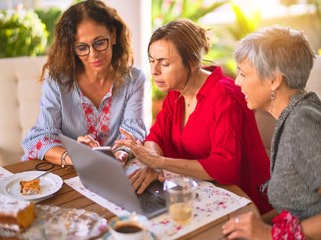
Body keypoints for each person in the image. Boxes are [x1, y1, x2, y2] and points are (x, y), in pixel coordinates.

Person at [115, 19, 272, 214]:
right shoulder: (176, 91)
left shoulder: (225, 97)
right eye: (152, 60)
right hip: (193, 193)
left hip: (239, 201)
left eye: (164, 63)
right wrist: (153, 161)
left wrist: (159, 162)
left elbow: (225, 167)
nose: (154, 70)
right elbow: (156, 136)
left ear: (192, 63)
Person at [222, 25, 321, 239]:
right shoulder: (293, 115)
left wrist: (270, 233)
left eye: (242, 73)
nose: (237, 82)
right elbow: (301, 206)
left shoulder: (305, 124)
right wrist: (254, 225)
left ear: (274, 81)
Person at [21, 0, 147, 166]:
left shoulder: (134, 79)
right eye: (82, 48)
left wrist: (120, 154)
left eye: (100, 43)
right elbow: (40, 138)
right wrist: (74, 156)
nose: (93, 54)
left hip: (110, 171)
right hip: (63, 170)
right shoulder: (57, 81)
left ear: (114, 35)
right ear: (72, 48)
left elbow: (133, 133)